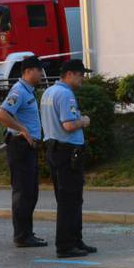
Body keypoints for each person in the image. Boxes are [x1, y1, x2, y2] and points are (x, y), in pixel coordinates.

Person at [40, 59, 95, 258]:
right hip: (67, 152)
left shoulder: (49, 92)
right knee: (70, 201)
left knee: (68, 199)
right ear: (70, 74)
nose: (82, 79)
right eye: (81, 75)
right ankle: (65, 245)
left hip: (54, 150)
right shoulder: (65, 94)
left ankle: (75, 241)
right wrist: (84, 121)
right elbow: (69, 125)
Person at [0, 56, 48, 247]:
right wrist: (23, 130)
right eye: (39, 70)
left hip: (26, 147)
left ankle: (27, 233)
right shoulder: (18, 91)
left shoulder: (27, 91)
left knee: (30, 192)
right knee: (23, 192)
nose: (42, 74)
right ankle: (22, 236)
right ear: (28, 71)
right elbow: (1, 115)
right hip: (20, 147)